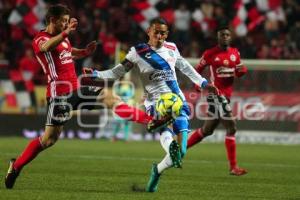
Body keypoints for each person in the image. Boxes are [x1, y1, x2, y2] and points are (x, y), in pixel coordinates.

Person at [4, 4, 168, 189]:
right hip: (59, 95)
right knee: (49, 140)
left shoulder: (63, 39)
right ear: (52, 20)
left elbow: (67, 51)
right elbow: (47, 47)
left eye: (67, 21)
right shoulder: (40, 38)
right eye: (63, 22)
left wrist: (82, 52)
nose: (66, 24)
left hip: (77, 88)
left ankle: (152, 120)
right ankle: (16, 166)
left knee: (110, 98)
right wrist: (65, 33)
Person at [85, 17, 218, 192]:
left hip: (177, 100)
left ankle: (157, 170)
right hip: (154, 102)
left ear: (167, 34)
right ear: (149, 31)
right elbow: (117, 72)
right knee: (167, 135)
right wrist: (97, 74)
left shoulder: (172, 48)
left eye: (163, 33)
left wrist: (203, 83)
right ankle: (168, 142)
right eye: (156, 32)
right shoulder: (137, 52)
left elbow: (186, 67)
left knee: (182, 152)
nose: (160, 36)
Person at [187, 26, 248, 176]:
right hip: (216, 94)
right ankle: (233, 167)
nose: (225, 37)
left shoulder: (235, 53)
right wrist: (197, 84)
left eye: (227, 34)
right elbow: (196, 70)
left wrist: (242, 71)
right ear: (218, 37)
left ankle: (178, 148)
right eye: (222, 35)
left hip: (226, 95)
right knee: (231, 127)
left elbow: (238, 71)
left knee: (207, 130)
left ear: (230, 36)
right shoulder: (210, 54)